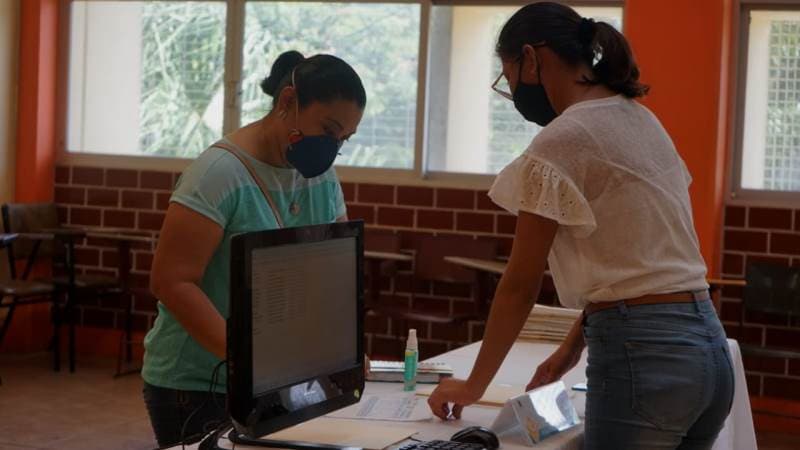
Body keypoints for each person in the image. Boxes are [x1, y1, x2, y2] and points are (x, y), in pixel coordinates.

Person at [427, 3, 734, 449]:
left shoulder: (562, 139)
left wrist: (473, 386)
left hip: (643, 355)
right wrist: (570, 349)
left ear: (530, 59)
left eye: (508, 77)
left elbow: (519, 285)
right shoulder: (642, 119)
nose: (512, 92)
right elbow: (641, 265)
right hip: (709, 347)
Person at [142, 50, 366, 448]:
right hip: (198, 384)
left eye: (342, 139)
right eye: (328, 130)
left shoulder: (321, 178)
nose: (332, 146)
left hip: (279, 377)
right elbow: (171, 282)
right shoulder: (218, 174)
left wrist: (340, 347)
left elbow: (332, 271)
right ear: (288, 101)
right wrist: (249, 362)